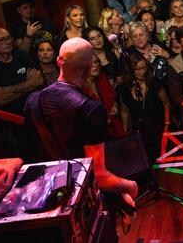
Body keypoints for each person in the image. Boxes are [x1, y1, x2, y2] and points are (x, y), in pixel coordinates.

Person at [24, 38, 137, 241]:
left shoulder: (33, 100)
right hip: (83, 202)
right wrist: (128, 186)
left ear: (59, 61)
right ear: (87, 68)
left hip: (49, 200)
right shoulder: (90, 109)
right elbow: (99, 175)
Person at [0, 28, 43, 158]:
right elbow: (0, 100)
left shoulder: (21, 56)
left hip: (33, 115)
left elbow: (39, 81)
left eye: (8, 38)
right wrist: (29, 85)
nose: (7, 42)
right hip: (9, 126)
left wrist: (7, 90)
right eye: (1, 40)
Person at [119, 52, 171, 162]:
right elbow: (124, 111)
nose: (143, 72)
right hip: (139, 129)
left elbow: (166, 103)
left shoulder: (155, 83)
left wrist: (167, 124)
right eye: (138, 69)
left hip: (156, 126)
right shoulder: (125, 88)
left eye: (144, 68)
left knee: (158, 158)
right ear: (131, 70)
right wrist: (125, 130)